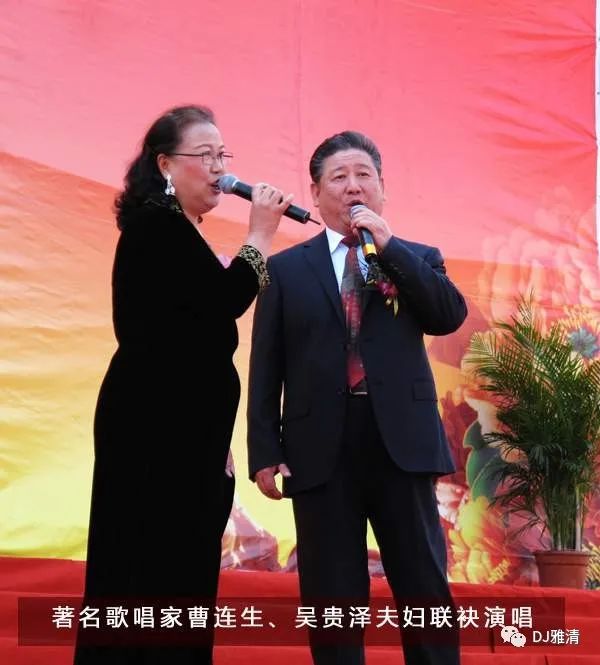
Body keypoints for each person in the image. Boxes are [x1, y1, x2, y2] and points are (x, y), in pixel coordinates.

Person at [74, 105, 291, 665]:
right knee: (156, 564)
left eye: (223, 155)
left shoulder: (178, 231)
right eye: (205, 155)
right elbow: (223, 302)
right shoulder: (156, 227)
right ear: (166, 164)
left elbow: (197, 335)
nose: (220, 167)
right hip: (156, 433)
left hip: (179, 431)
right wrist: (259, 235)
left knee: (177, 564)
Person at [247, 131, 467, 665]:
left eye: (364, 175)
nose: (353, 187)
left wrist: (391, 249)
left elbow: (447, 316)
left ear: (382, 188)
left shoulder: (416, 258)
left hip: (401, 444)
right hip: (319, 448)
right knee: (332, 595)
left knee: (423, 585)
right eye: (339, 177)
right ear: (315, 192)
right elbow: (266, 365)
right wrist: (264, 450)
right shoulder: (285, 270)